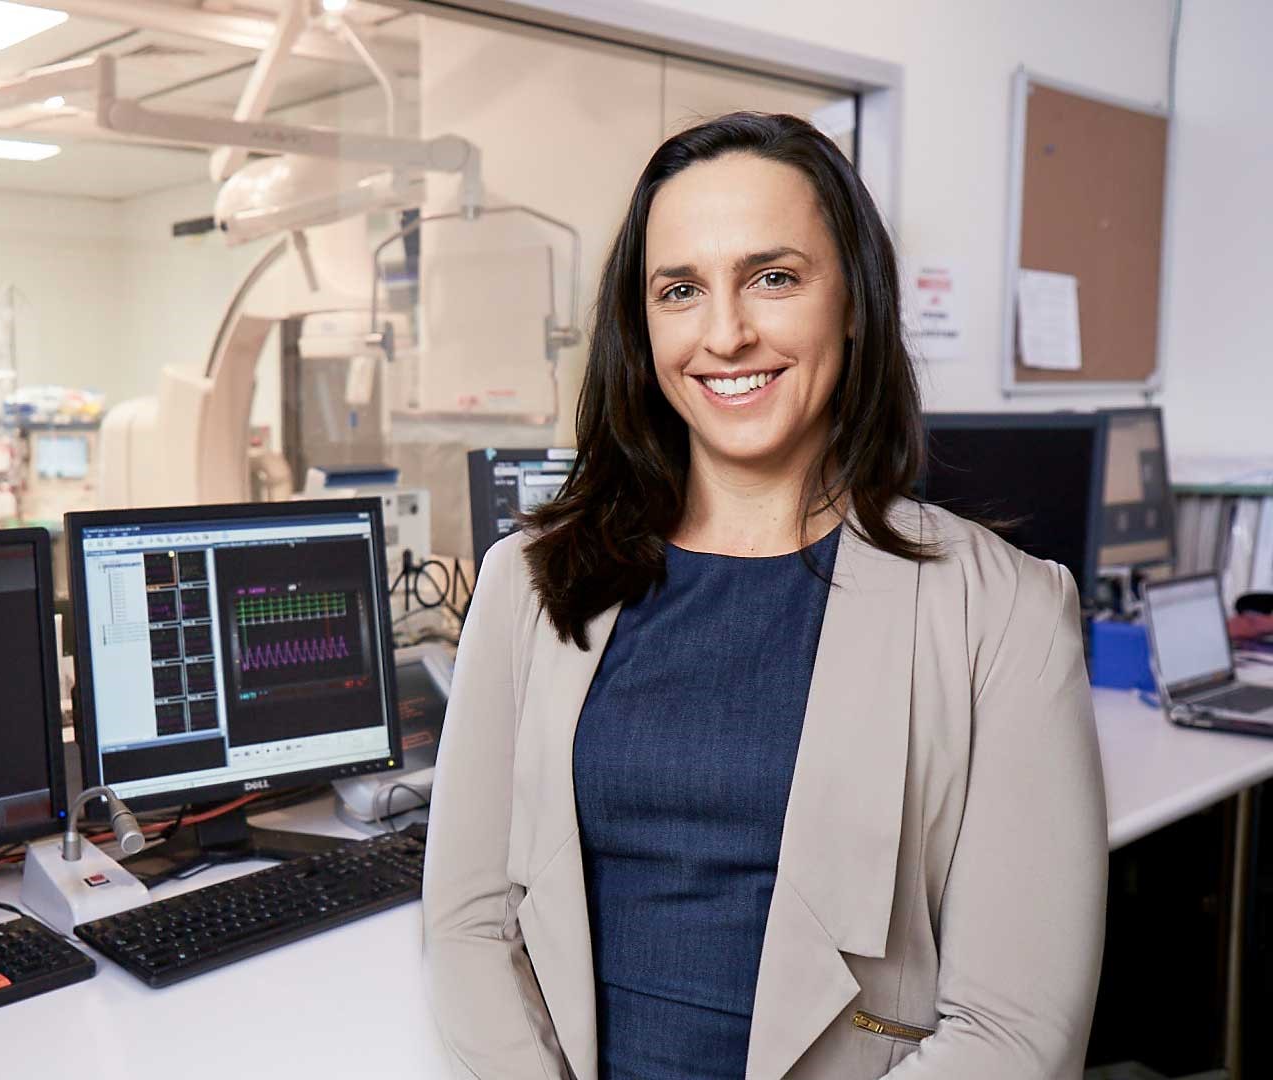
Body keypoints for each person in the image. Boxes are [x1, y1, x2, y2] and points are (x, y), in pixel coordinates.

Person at [422, 113, 1106, 1080]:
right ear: (642, 322)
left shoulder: (1005, 613)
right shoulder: (529, 582)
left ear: (855, 303)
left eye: (774, 277)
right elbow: (467, 922)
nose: (725, 333)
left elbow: (1013, 1035)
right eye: (680, 290)